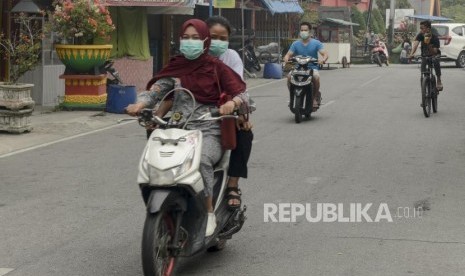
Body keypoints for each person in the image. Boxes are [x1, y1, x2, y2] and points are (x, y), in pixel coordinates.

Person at [126, 19, 247, 236]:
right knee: (155, 159)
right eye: (186, 38)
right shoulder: (177, 67)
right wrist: (141, 103)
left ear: (204, 41)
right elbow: (158, 89)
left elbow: (242, 93)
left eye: (196, 38)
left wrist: (233, 103)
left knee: (200, 161)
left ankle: (209, 211)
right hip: (178, 128)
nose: (190, 42)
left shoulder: (217, 67)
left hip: (210, 129)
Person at [206, 15, 254, 211]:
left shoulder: (231, 57)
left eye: (222, 38)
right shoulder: (191, 59)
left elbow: (239, 89)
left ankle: (232, 185)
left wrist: (239, 113)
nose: (217, 42)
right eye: (212, 36)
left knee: (244, 134)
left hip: (225, 109)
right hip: (194, 113)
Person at [283, 22, 329, 110]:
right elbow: (288, 54)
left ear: (310, 32)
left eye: (305, 30)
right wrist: (286, 58)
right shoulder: (295, 44)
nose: (303, 32)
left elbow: (325, 54)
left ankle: (314, 98)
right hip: (298, 68)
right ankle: (292, 97)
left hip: (312, 68)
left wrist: (323, 59)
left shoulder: (316, 43)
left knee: (316, 78)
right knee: (289, 77)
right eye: (302, 30)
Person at [409, 20, 443, 91]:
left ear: (428, 29)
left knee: (436, 60)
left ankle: (438, 80)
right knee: (423, 68)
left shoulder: (435, 38)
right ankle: (424, 88)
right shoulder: (421, 35)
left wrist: (428, 44)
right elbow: (415, 44)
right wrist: (411, 54)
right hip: (425, 55)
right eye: (420, 28)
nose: (421, 30)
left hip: (434, 55)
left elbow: (434, 52)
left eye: (422, 28)